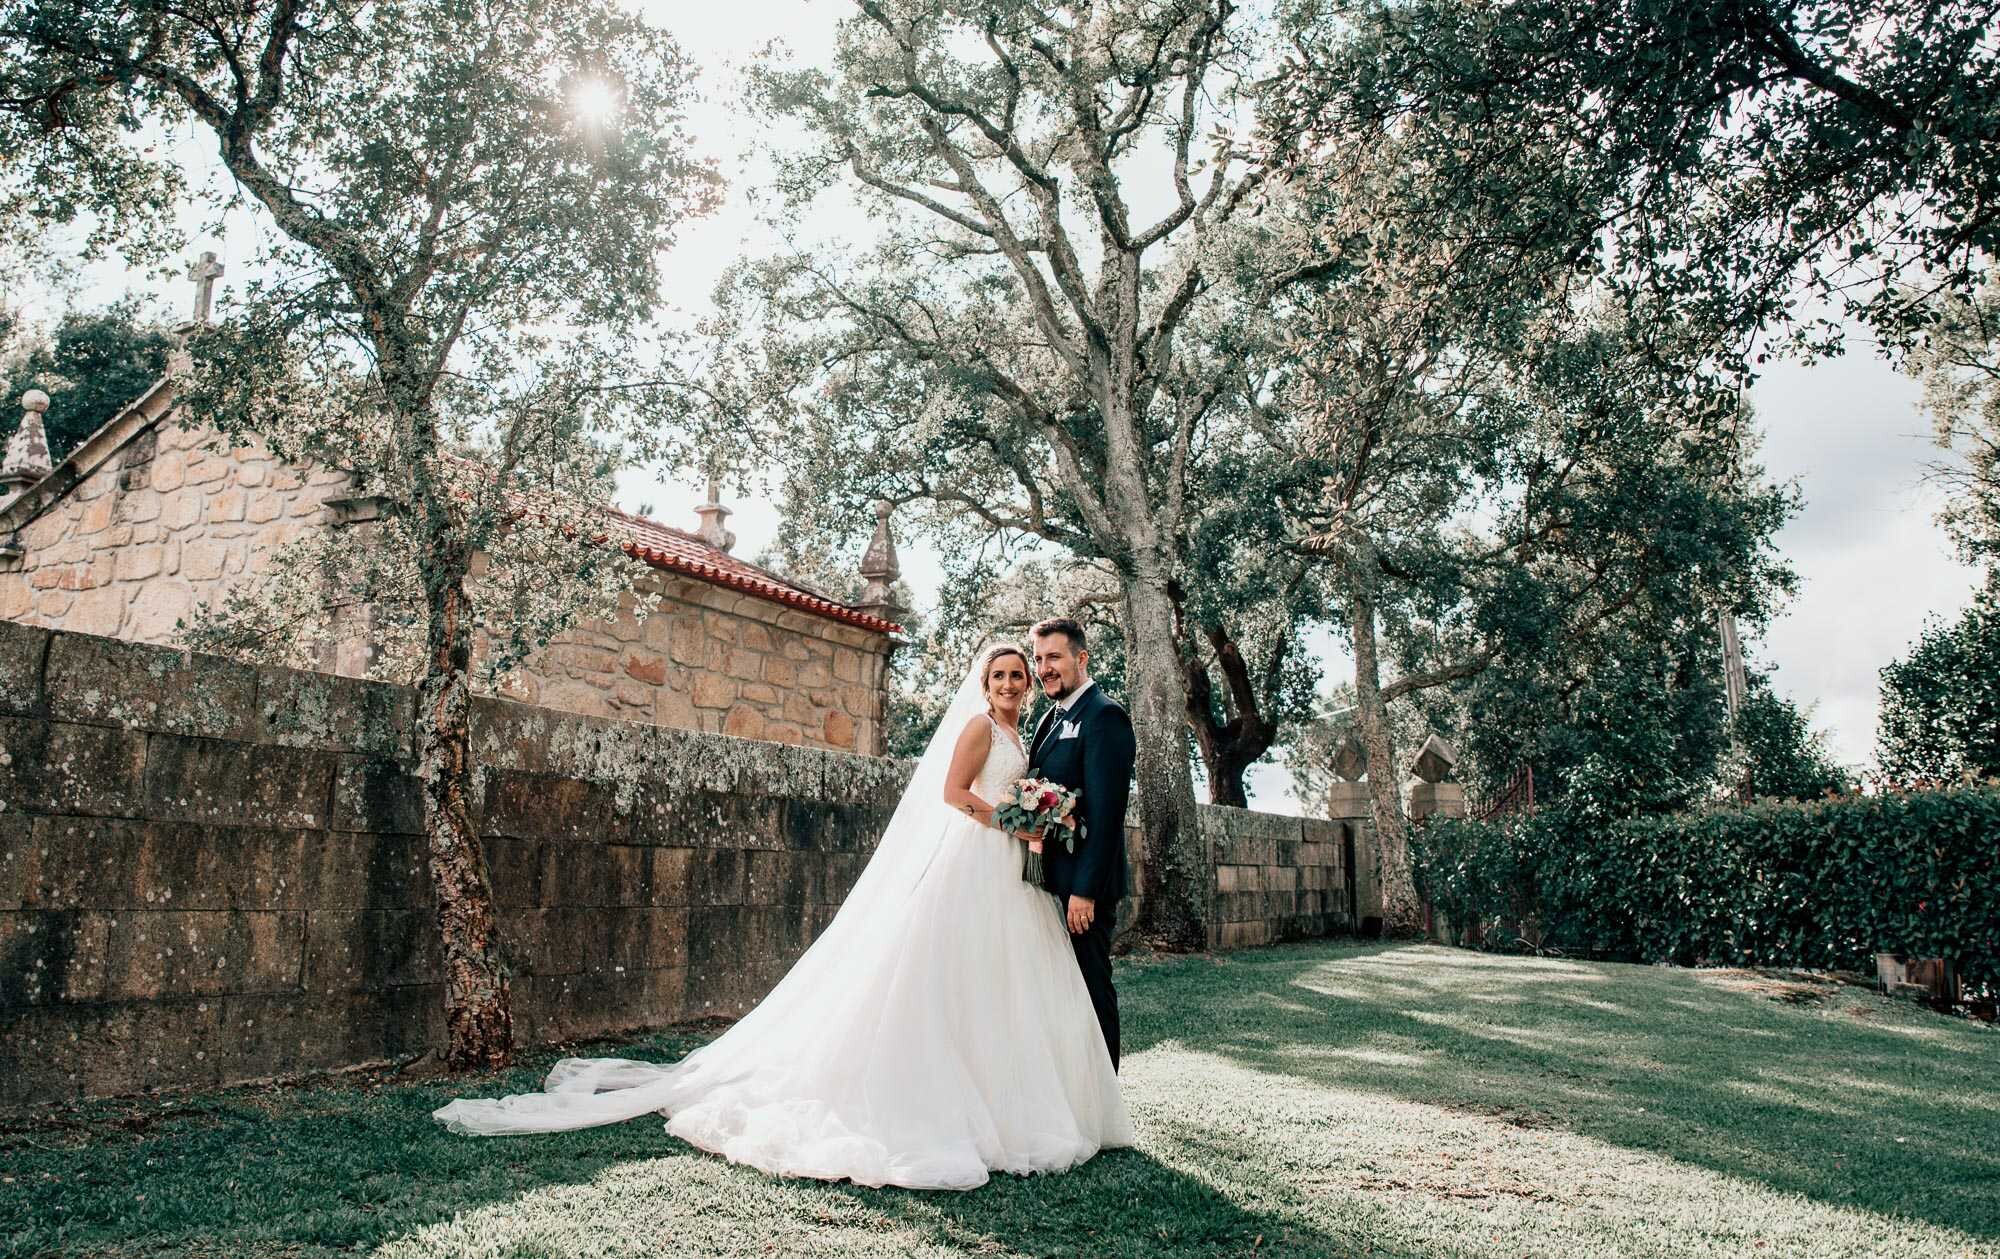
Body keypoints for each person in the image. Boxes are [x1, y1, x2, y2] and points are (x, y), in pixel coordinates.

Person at [433, 642, 1134, 1191]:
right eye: (1005, 674)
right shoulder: (981, 731)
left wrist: (1033, 820)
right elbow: (954, 794)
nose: (1015, 682)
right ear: (985, 683)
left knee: (1005, 987)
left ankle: (1024, 1099)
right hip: (977, 860)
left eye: (1023, 673)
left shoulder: (1031, 732)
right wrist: (1009, 818)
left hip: (1012, 875)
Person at [1025, 617, 1135, 1069]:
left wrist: (1084, 892)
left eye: (1054, 657)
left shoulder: (1104, 715)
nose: (1044, 668)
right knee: (1061, 992)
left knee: (1091, 987)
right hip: (1051, 878)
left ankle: (1105, 1097)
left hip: (1082, 889)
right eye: (1038, 659)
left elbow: (1108, 815)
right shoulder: (1050, 717)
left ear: (1081, 658)